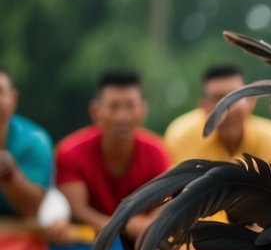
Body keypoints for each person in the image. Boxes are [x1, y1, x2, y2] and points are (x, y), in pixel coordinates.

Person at [56, 71, 170, 238]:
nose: (122, 117)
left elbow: (162, 215)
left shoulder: (157, 152)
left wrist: (115, 226)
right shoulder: (70, 152)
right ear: (95, 111)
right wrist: (127, 226)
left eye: (130, 106)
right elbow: (77, 211)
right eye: (114, 106)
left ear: (143, 109)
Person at [162, 64, 271, 175]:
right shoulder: (181, 135)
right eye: (217, 98)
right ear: (203, 107)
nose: (227, 108)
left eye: (235, 97)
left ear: (250, 102)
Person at [0, 66, 53, 221]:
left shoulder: (35, 140)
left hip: (19, 239)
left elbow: (32, 210)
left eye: (0, 92)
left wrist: (8, 174)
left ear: (14, 99)